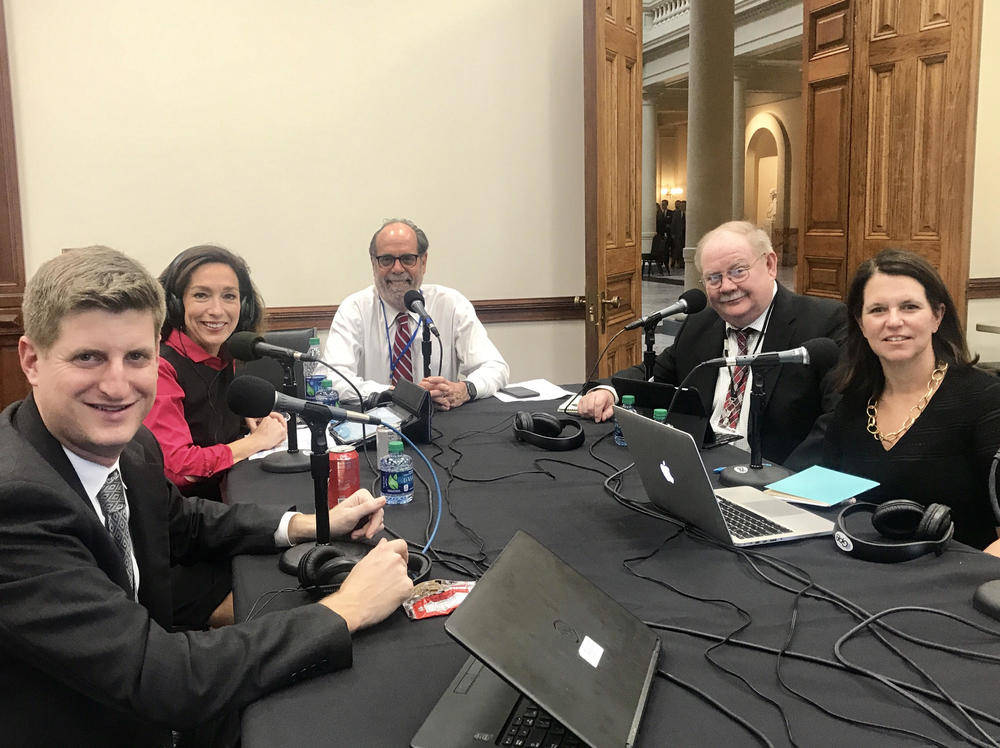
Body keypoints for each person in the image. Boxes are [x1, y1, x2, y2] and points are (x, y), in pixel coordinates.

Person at [0, 246, 413, 746]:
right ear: (32, 360)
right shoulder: (15, 504)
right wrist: (348, 609)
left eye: (136, 357)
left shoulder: (133, 445)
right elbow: (163, 678)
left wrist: (311, 524)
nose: (117, 385)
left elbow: (186, 522)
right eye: (88, 357)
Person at [578, 221, 847, 469]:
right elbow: (657, 374)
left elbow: (836, 421)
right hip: (699, 467)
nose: (727, 286)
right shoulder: (701, 324)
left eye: (738, 272)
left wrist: (787, 484)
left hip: (775, 477)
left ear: (770, 265)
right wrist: (609, 390)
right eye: (713, 278)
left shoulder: (824, 323)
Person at [822, 249, 1000, 554]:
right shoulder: (851, 403)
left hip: (956, 586)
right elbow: (828, 501)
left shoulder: (985, 400)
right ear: (861, 324)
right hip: (860, 571)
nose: (893, 321)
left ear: (937, 316)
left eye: (909, 306)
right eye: (877, 310)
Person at [144, 245, 286, 502]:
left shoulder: (222, 354)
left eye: (229, 296)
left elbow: (202, 414)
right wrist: (256, 442)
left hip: (226, 497)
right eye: (201, 295)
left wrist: (242, 420)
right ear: (175, 304)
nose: (217, 310)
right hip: (186, 520)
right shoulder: (161, 368)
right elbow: (179, 469)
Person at [324, 218, 509, 410]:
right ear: (373, 263)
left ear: (423, 262)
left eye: (407, 259)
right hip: (376, 425)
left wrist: (464, 389)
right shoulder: (354, 310)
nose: (397, 269)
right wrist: (401, 396)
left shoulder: (451, 304)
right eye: (386, 259)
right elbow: (333, 379)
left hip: (443, 424)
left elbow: (496, 367)